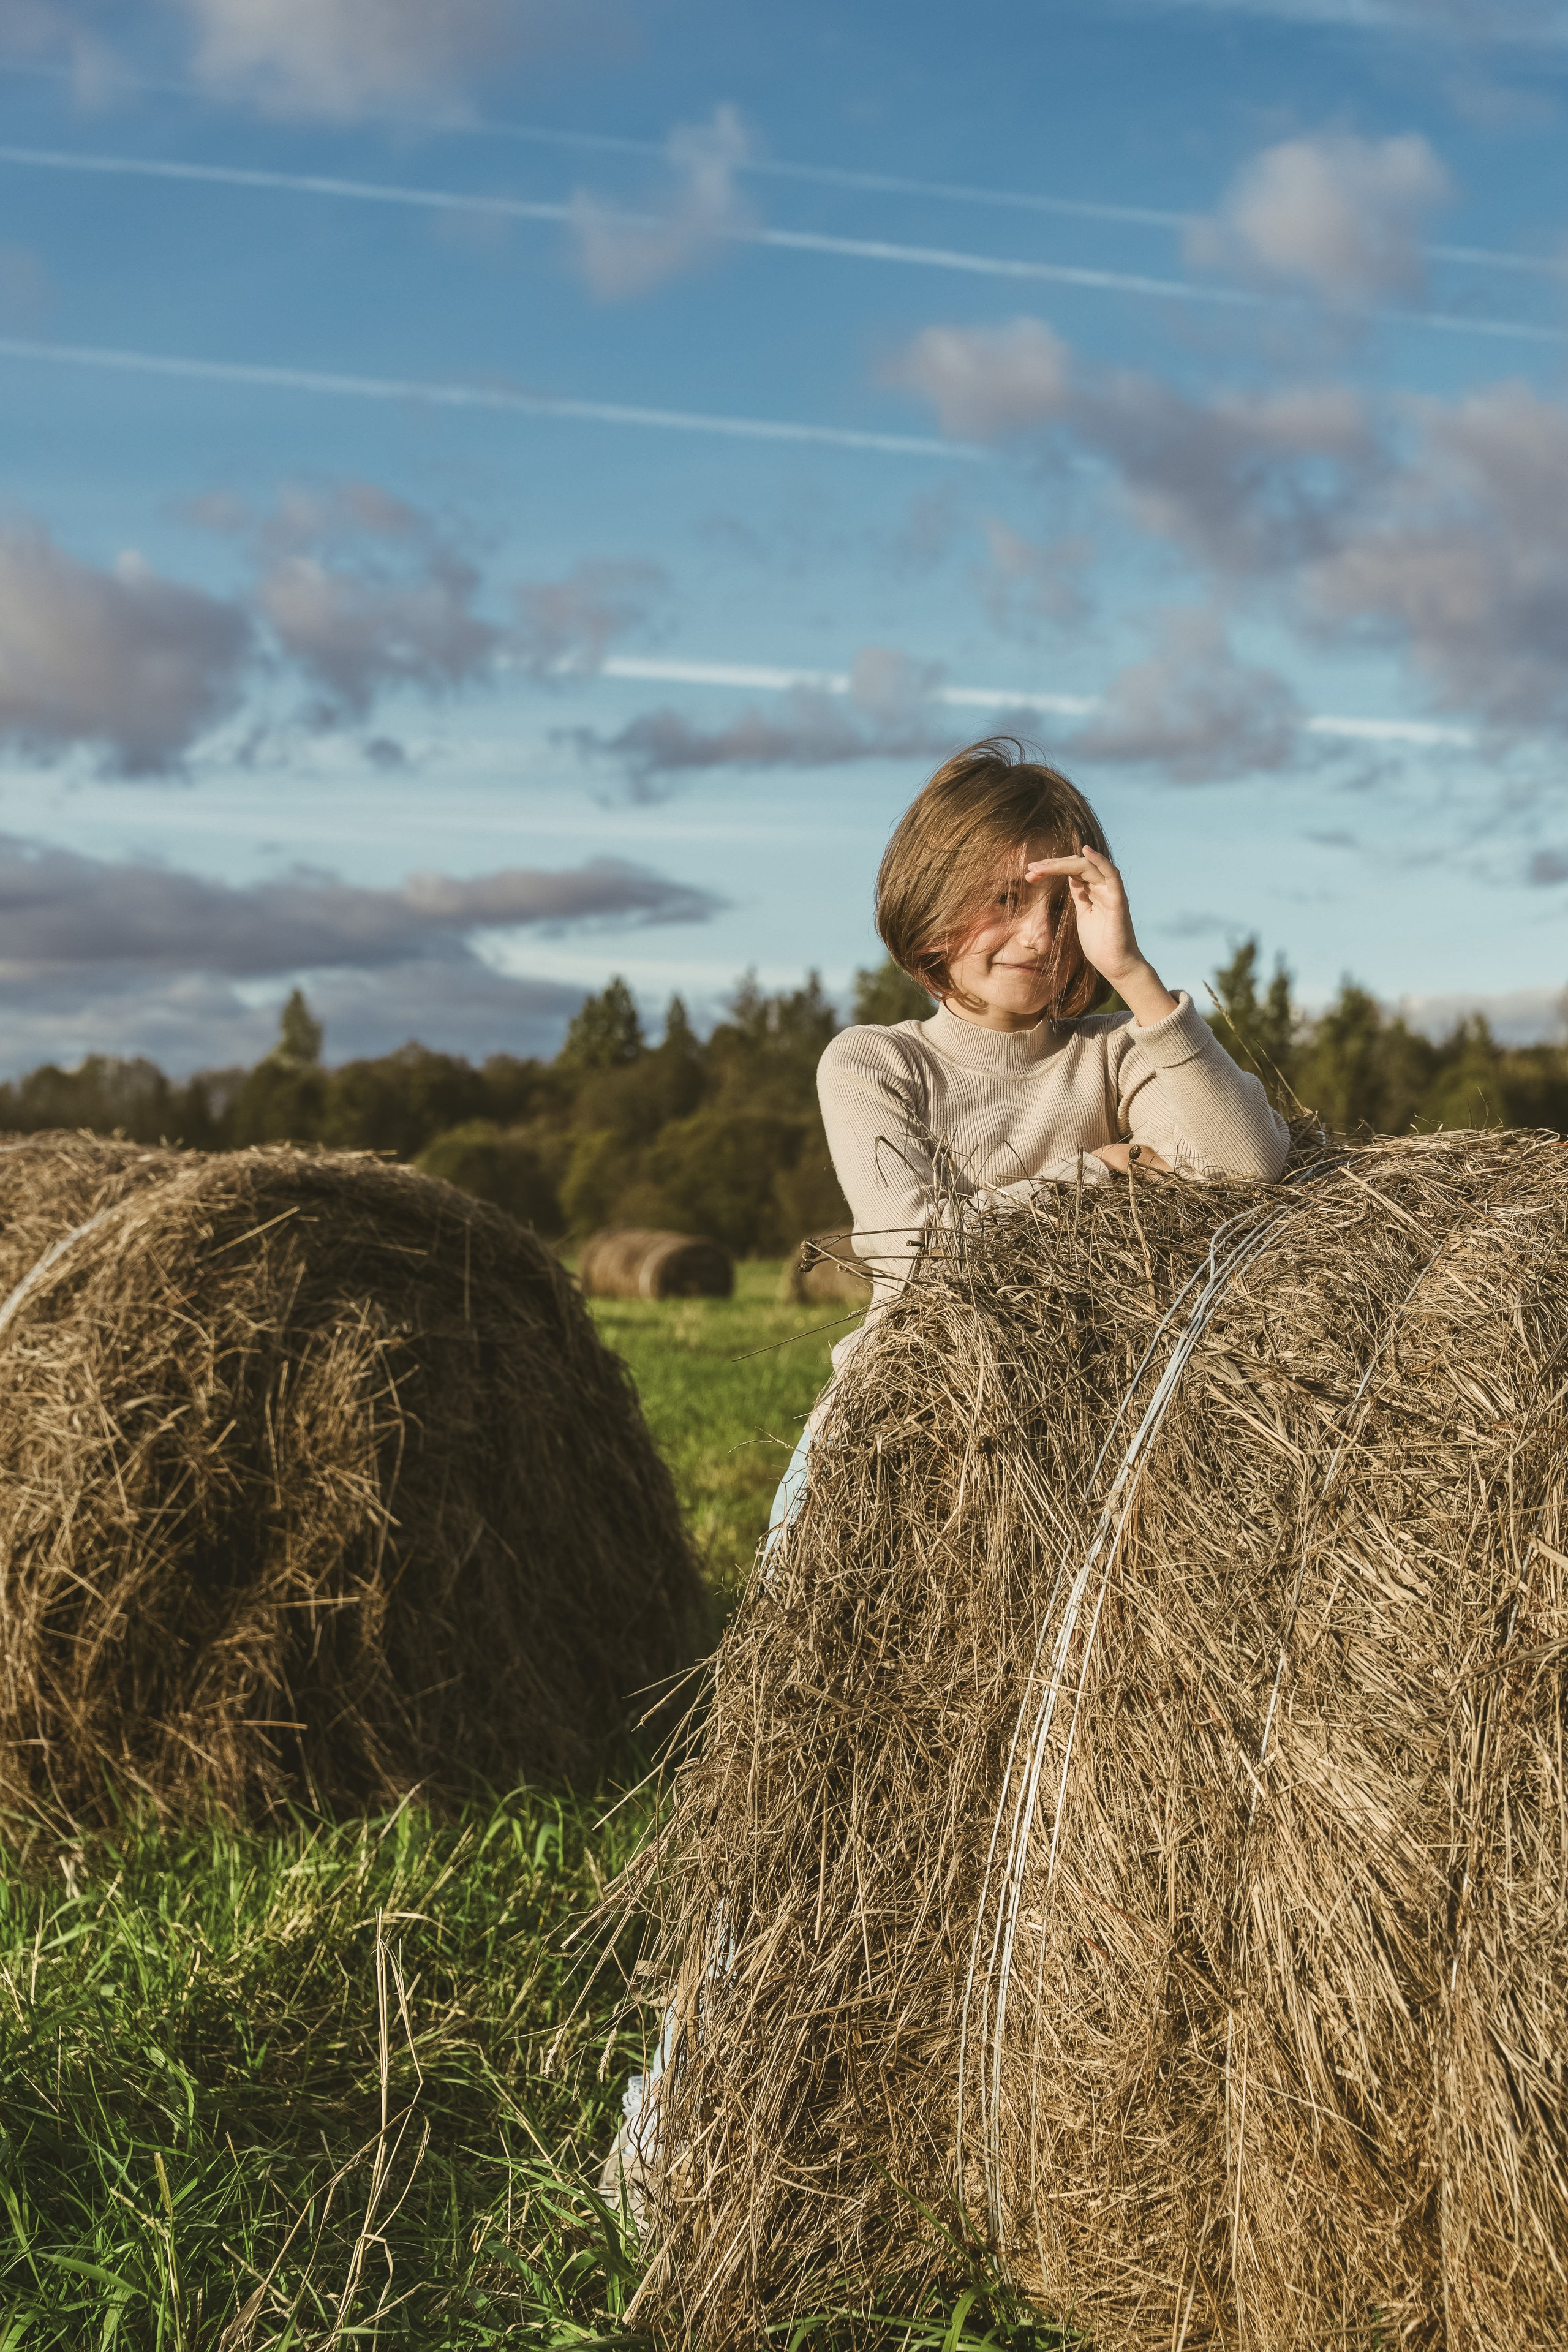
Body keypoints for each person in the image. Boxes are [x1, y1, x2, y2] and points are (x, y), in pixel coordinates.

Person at [601, 737, 1289, 2222]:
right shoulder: (876, 1060)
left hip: (1084, 1469)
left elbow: (1244, 1167)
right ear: (929, 917)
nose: (1038, 938)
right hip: (891, 1466)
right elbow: (915, 1261)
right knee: (807, 1794)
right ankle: (672, 2142)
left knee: (1041, 1806)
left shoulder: (1120, 1057)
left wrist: (1144, 977)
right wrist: (1095, 1182)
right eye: (1006, 901)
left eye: (1065, 900)